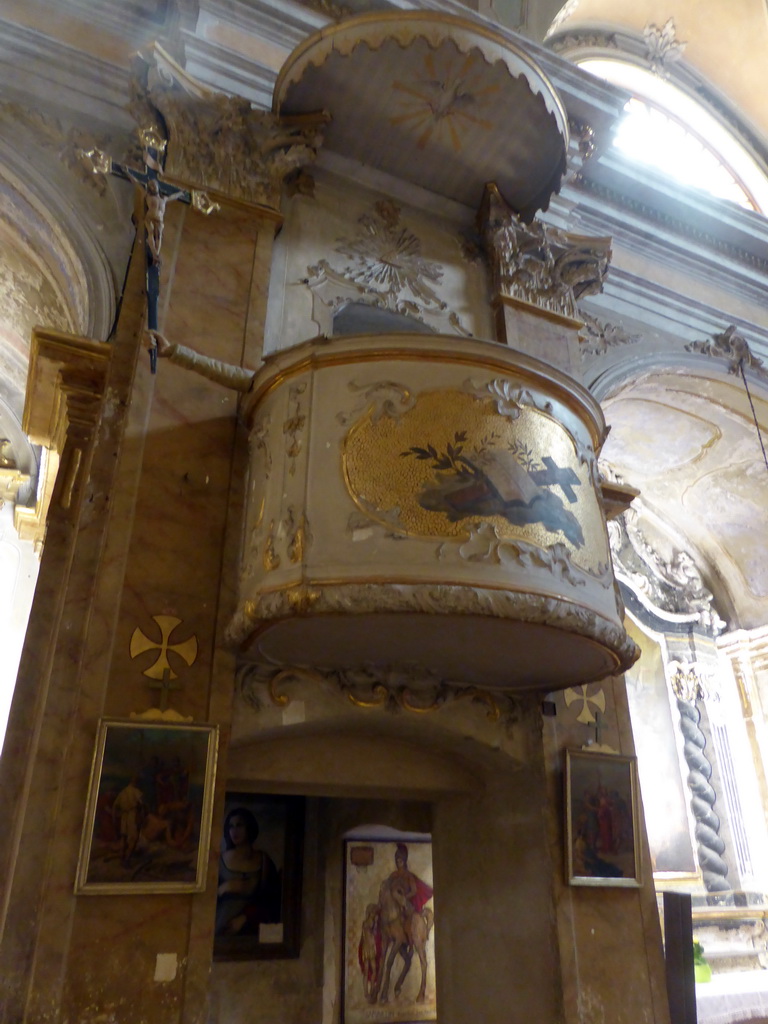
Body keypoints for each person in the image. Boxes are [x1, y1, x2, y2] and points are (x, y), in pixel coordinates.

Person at [215, 808, 280, 936]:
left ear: (249, 828)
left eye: (239, 825)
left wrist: (245, 917)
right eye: (231, 826)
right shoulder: (219, 861)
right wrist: (224, 888)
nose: (234, 831)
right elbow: (204, 902)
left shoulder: (264, 862)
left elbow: (273, 900)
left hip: (253, 928)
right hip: (221, 926)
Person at [112, 777, 145, 864]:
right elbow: (142, 805)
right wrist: (142, 815)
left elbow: (115, 806)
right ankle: (126, 859)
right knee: (134, 838)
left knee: (124, 837)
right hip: (132, 815)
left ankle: (122, 857)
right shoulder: (136, 791)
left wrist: (116, 816)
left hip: (124, 816)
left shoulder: (122, 793)